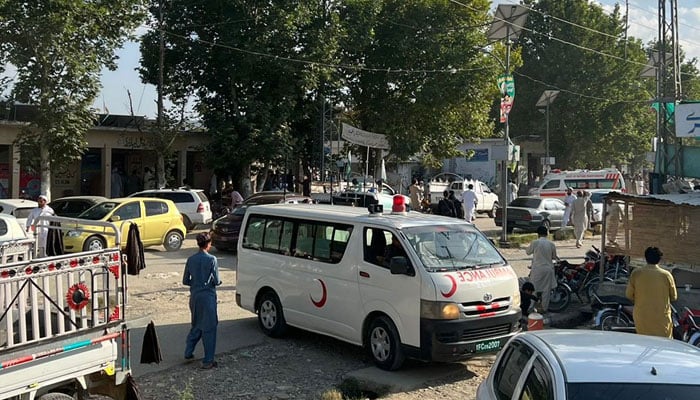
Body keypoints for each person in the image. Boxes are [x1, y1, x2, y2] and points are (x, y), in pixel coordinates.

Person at [183, 232, 222, 369]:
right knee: (209, 328)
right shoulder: (212, 259)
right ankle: (208, 360)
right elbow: (217, 281)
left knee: (197, 324)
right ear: (209, 244)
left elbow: (185, 280)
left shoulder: (191, 259)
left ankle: (188, 352)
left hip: (195, 297)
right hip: (208, 297)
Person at [625, 247, 677, 338]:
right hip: (661, 317)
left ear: (646, 258)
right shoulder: (666, 275)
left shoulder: (636, 273)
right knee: (663, 345)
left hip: (641, 316)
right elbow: (674, 297)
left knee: (644, 342)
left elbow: (628, 295)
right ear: (660, 259)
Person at [525, 226, 559, 313]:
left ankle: (530, 307)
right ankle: (544, 308)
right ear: (547, 233)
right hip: (548, 269)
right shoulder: (551, 244)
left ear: (538, 234)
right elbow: (554, 257)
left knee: (534, 289)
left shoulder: (535, 242)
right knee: (546, 290)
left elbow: (528, 252)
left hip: (537, 269)